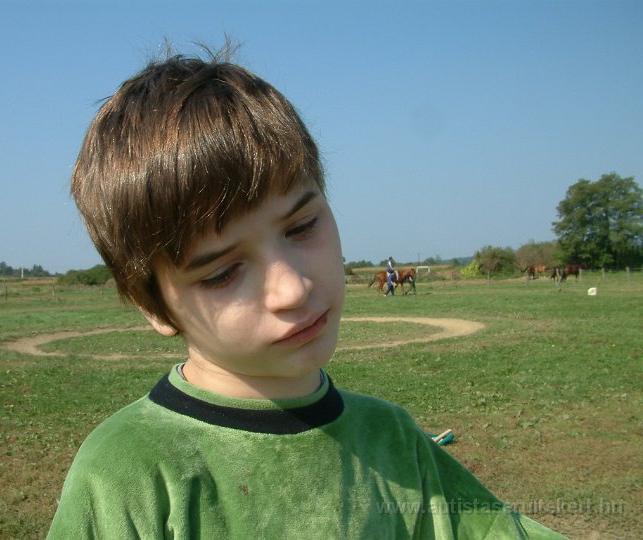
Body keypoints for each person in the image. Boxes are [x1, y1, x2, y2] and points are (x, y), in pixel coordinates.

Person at [48, 47, 565, 539]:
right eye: (222, 273)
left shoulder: (393, 439)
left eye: (301, 227)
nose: (292, 289)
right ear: (154, 306)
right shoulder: (125, 473)